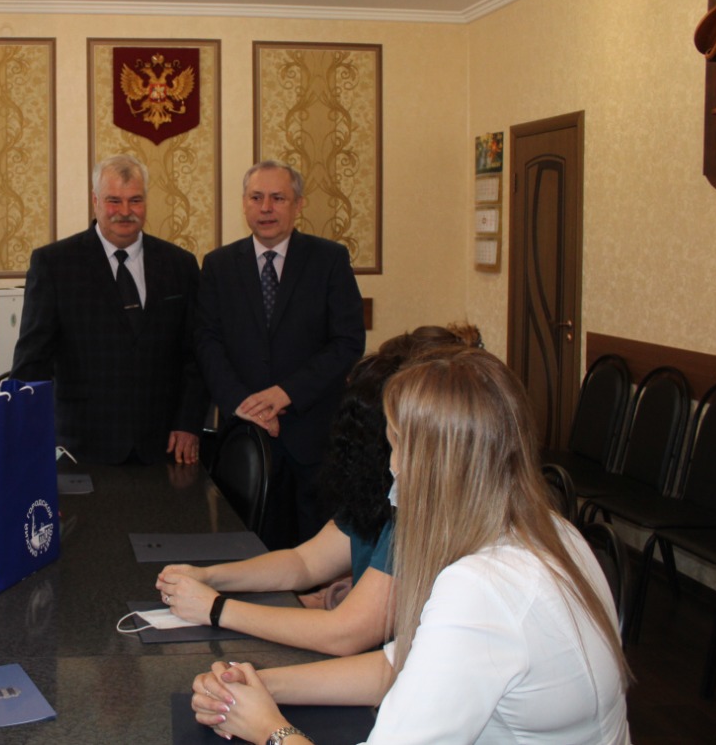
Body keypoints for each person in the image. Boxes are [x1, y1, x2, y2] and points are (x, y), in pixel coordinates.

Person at [189, 347, 632, 745]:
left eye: (395, 445)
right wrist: (263, 685)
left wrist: (270, 729)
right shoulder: (555, 531)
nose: (391, 465)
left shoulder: (480, 587)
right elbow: (400, 663)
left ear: (433, 463)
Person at [155, 326, 476, 656]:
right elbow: (305, 562)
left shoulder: (422, 513)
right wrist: (208, 576)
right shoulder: (386, 494)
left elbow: (348, 634)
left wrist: (215, 608)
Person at [197, 161, 365, 548]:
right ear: (244, 204)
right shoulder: (218, 265)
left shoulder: (329, 260)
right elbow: (206, 342)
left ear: (298, 204)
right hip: (246, 439)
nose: (266, 208)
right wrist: (243, 403)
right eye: (256, 197)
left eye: (278, 198)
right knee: (248, 550)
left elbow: (347, 342)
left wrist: (285, 394)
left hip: (314, 438)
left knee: (316, 555)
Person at [11, 153, 207, 465]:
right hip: (79, 445)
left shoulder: (180, 265)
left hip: (164, 446)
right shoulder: (54, 265)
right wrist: (29, 434)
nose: (125, 212)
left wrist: (189, 422)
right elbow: (32, 360)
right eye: (114, 201)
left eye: (135, 200)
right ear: (95, 201)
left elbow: (196, 355)